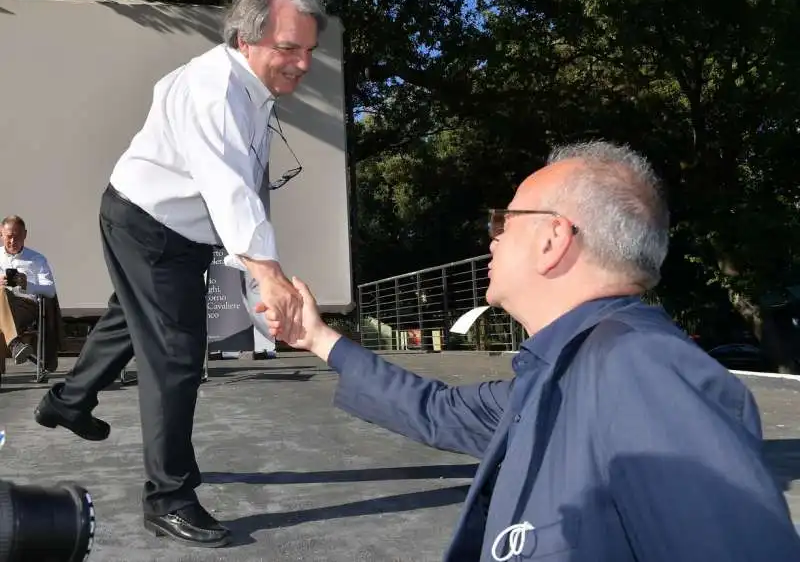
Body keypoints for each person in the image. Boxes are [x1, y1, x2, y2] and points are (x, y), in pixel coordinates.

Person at [280, 141, 800, 561]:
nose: (492, 241)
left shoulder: (640, 369)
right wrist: (318, 338)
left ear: (553, 240)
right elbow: (435, 411)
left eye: (504, 224)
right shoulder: (568, 371)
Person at [34, 0, 326, 547]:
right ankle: (168, 497)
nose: (302, 63)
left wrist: (255, 279)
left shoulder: (254, 91)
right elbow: (228, 187)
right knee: (175, 354)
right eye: (288, 48)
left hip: (175, 228)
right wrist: (268, 277)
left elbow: (242, 187)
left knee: (130, 320)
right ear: (246, 39)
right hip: (147, 221)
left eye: (310, 50)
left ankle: (67, 401)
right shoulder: (213, 88)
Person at [0, 215, 57, 384]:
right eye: (9, 236)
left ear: (25, 234)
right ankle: (15, 343)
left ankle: (13, 343)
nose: (12, 240)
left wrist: (28, 285)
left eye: (17, 236)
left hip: (25, 305)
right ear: (1, 234)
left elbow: (50, 290)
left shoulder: (37, 259)